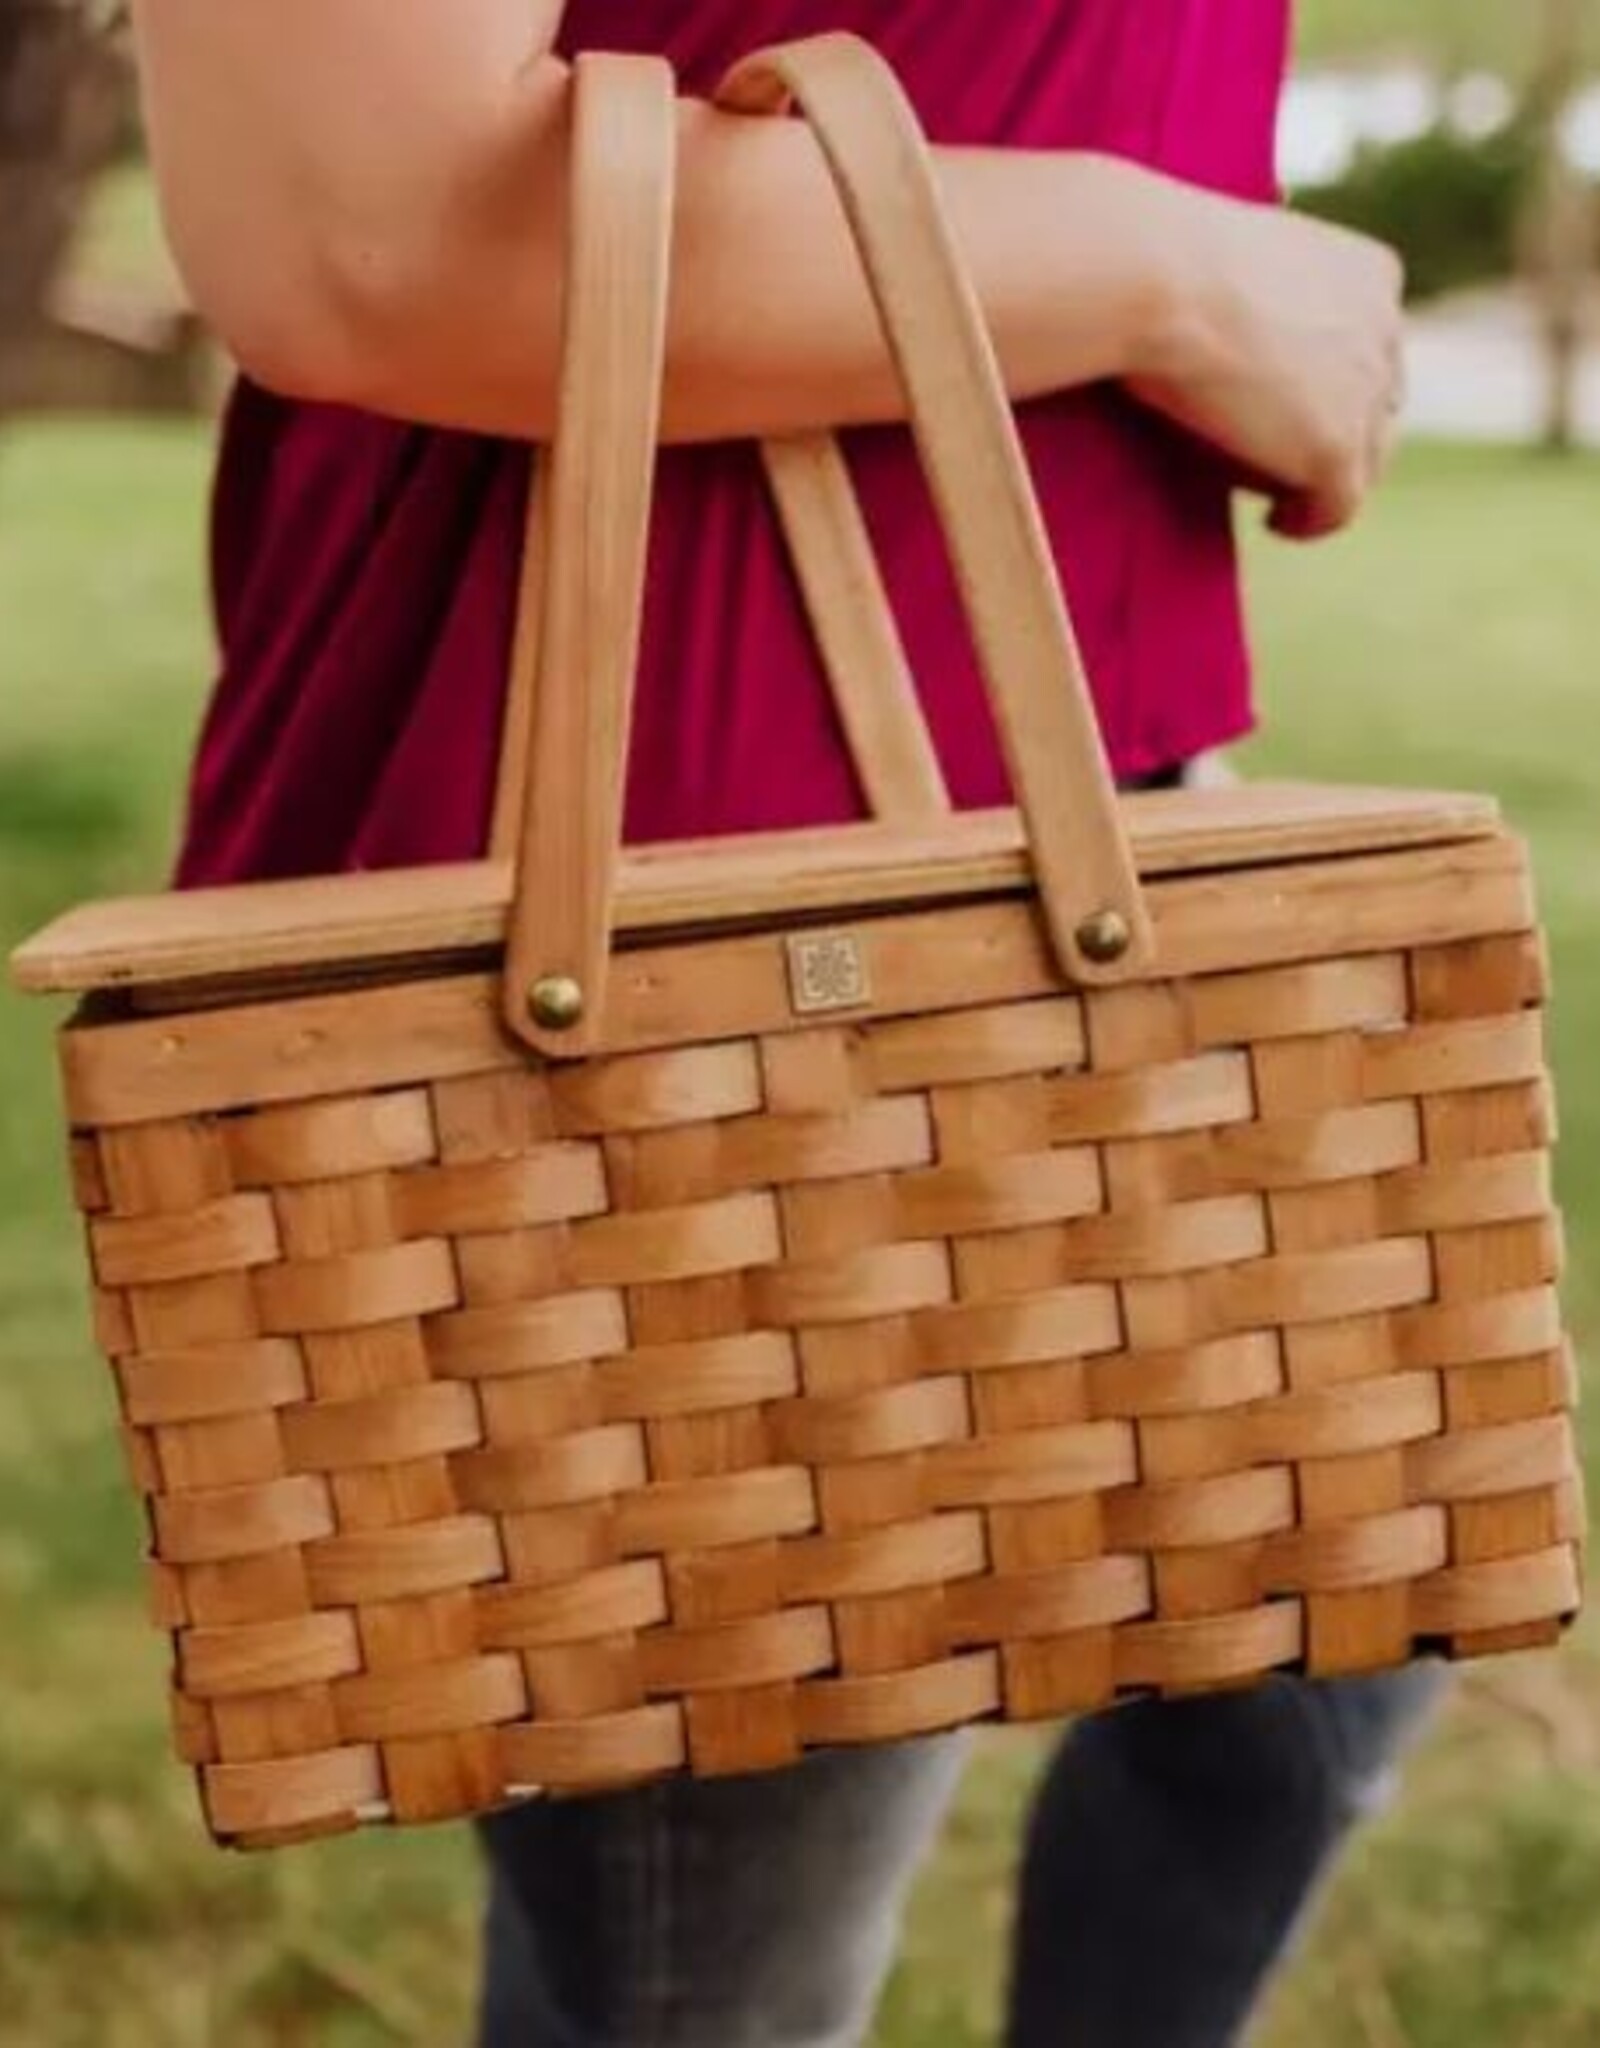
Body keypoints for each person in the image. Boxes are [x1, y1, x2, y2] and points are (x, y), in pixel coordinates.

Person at [128, 3, 1439, 2043]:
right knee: (713, 1981)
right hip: (690, 897)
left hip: (1081, 771)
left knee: (1348, 1616)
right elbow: (353, 229)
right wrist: (1174, 267)